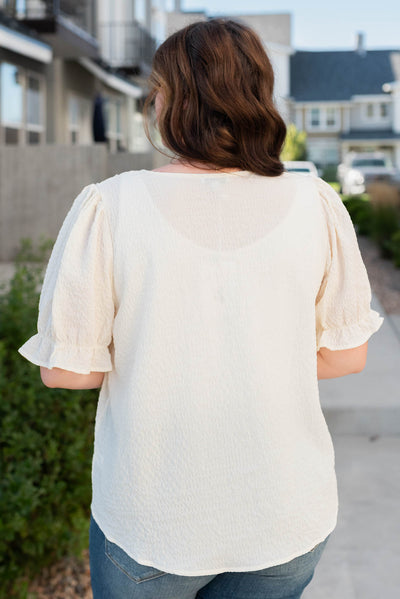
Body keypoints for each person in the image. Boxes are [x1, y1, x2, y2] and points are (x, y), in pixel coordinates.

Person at [18, 18, 384, 599]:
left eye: (156, 90)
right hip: (285, 513)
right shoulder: (316, 203)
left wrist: (164, 347)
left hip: (155, 517)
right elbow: (348, 356)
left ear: (174, 102)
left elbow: (65, 371)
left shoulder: (110, 207)